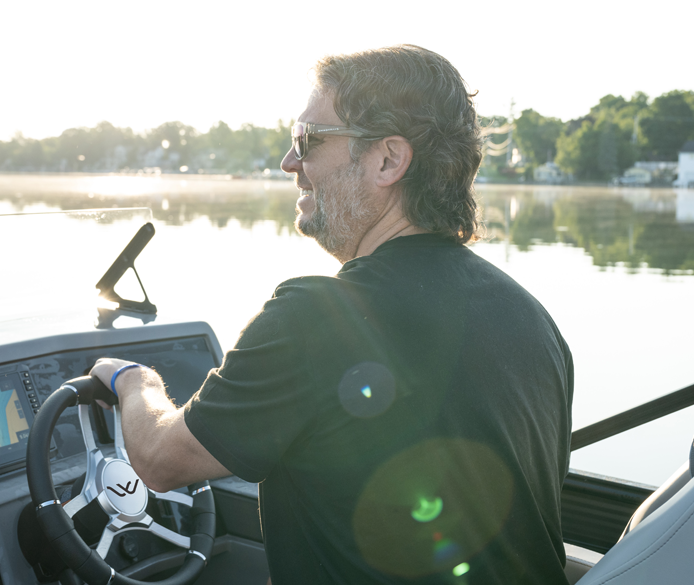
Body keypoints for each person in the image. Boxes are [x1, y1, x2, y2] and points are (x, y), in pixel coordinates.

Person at [90, 45, 574, 584]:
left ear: (388, 160)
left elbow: (159, 459)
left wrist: (133, 380)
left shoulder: (318, 317)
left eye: (307, 140)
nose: (289, 163)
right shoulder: (532, 319)